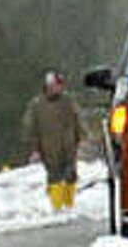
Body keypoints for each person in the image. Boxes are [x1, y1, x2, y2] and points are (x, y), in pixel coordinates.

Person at [26, 69, 87, 213]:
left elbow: (77, 119)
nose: (59, 88)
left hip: (69, 146)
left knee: (70, 175)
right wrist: (35, 149)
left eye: (60, 85)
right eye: (56, 85)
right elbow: (32, 129)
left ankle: (69, 204)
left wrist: (82, 137)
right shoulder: (37, 106)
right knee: (54, 176)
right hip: (48, 148)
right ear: (48, 86)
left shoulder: (68, 101)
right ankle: (57, 206)